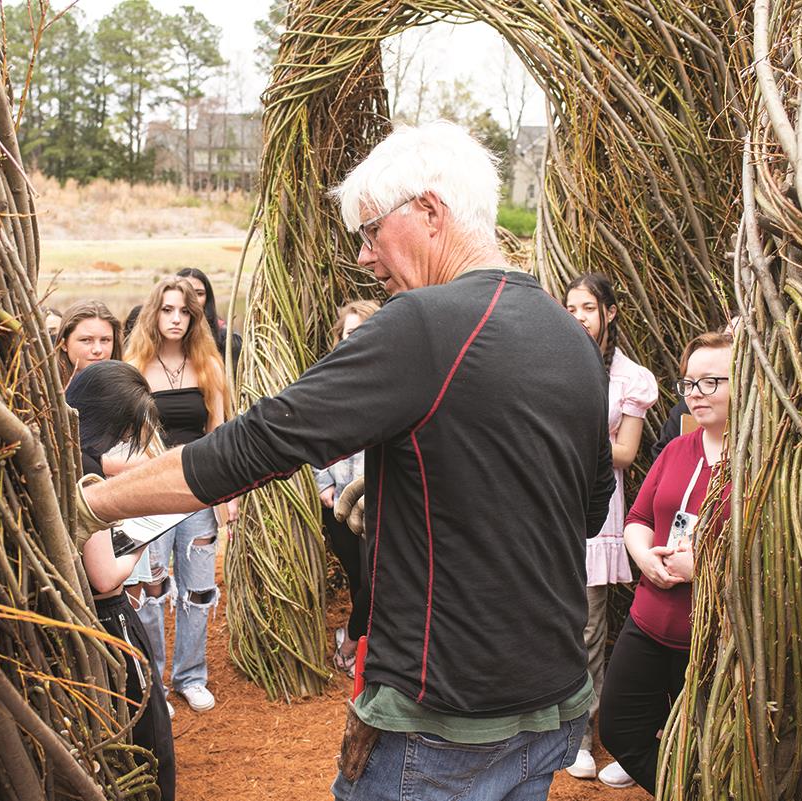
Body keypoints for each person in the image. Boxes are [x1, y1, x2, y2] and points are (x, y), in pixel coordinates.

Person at [74, 120, 615, 801]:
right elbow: (586, 509)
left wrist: (87, 505)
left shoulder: (424, 322)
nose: (363, 256)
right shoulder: (568, 336)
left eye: (369, 231)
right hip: (549, 708)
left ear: (428, 210)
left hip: (441, 721)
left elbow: (255, 446)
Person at [598, 332, 734, 792]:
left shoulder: (761, 465)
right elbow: (638, 518)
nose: (695, 393)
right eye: (689, 383)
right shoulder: (679, 448)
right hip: (649, 619)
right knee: (621, 729)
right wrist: (646, 560)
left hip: (715, 637)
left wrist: (707, 570)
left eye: (710, 381)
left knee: (707, 740)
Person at [65, 361, 176, 801]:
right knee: (144, 734)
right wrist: (148, 533)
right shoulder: (84, 472)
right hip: (106, 623)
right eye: (128, 429)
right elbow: (106, 575)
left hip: (72, 620)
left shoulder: (67, 449)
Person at [562, 274, 657, 781]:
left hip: (597, 511)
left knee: (591, 627)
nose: (579, 317)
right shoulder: (551, 361)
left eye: (589, 307)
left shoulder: (629, 378)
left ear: (610, 312)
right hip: (550, 508)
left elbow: (626, 453)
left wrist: (579, 437)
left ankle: (582, 735)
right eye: (571, 307)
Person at [124, 276, 232, 714]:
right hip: (150, 491)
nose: (175, 318)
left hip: (197, 489)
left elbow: (219, 432)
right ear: (154, 313)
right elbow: (125, 436)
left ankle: (191, 677)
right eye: (167, 310)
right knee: (150, 588)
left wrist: (228, 495)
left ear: (195, 317)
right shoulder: (134, 365)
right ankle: (155, 684)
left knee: (199, 589)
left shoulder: (207, 365)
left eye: (184, 311)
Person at [314, 300, 381, 677]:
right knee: (358, 578)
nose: (355, 339)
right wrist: (323, 483)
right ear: (339, 338)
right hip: (339, 500)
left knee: (374, 580)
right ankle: (361, 641)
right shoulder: (330, 382)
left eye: (364, 330)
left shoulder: (392, 380)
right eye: (349, 332)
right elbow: (315, 437)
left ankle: (354, 640)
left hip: (380, 502)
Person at [176, 267, 243, 369]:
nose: (193, 298)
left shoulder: (227, 338)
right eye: (186, 292)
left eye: (199, 293)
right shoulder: (165, 335)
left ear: (207, 298)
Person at [54, 300, 123, 390]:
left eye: (105, 340)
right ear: (63, 344)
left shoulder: (128, 391)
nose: (98, 350)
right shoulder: (44, 393)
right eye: (86, 340)